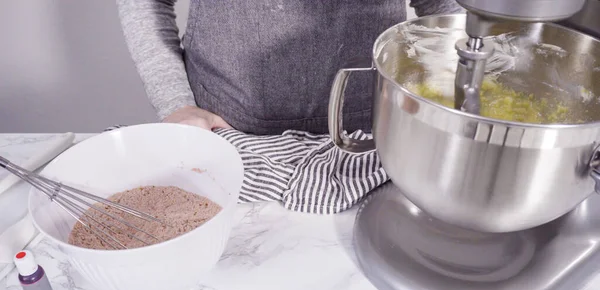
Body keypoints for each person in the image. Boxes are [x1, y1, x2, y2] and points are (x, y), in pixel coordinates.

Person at [116, 0, 462, 135]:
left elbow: (445, 10)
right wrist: (175, 102)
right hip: (225, 132)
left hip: (370, 137)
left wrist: (449, 94)